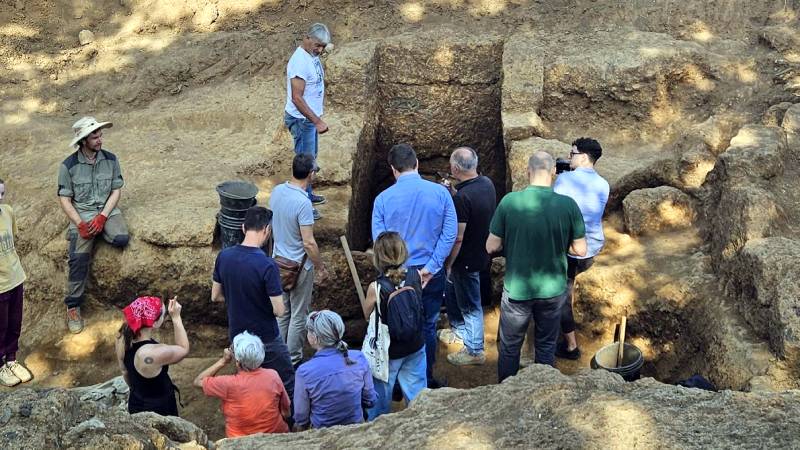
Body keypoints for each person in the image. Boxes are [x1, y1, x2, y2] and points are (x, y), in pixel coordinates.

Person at [487, 151, 587, 383]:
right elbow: (580, 250)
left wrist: (512, 242)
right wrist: (559, 244)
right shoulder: (568, 205)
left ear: (527, 171)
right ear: (554, 172)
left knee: (510, 347)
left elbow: (491, 246)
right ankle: (542, 390)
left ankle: (506, 391)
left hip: (517, 290)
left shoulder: (509, 202)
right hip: (553, 290)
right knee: (546, 345)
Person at [371, 143, 457, 388]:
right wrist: (431, 267)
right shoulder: (440, 193)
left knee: (393, 325)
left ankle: (395, 383)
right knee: (427, 325)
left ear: (393, 169)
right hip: (429, 271)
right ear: (417, 163)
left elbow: (379, 240)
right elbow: (449, 233)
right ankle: (425, 380)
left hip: (394, 273)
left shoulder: (383, 199)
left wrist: (393, 270)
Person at [211, 206, 296, 400]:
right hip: (266, 337)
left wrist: (238, 299)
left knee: (248, 382)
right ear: (267, 230)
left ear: (243, 228)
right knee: (287, 381)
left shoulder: (224, 256)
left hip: (238, 336)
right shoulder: (267, 265)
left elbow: (215, 296)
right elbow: (279, 310)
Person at [58, 116, 129, 334]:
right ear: (83, 141)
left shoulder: (111, 159)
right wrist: (80, 224)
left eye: (100, 135)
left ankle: (97, 232)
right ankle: (73, 306)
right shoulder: (68, 166)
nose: (100, 140)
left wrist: (103, 217)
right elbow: (64, 199)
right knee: (79, 258)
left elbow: (116, 190)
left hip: (107, 210)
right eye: (95, 137)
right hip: (83, 213)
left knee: (121, 238)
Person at [359, 232, 427, 420]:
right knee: (418, 394)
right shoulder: (416, 274)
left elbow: (366, 314)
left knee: (380, 398)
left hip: (388, 351)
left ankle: (378, 426)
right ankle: (422, 422)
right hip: (415, 343)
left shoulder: (376, 287)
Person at [553, 138, 609, 360]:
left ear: (584, 157)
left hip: (570, 251)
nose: (569, 158)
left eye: (572, 154)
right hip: (592, 248)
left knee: (562, 295)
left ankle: (571, 346)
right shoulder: (603, 184)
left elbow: (555, 211)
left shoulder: (565, 180)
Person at [270, 154, 328, 367]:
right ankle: (293, 359)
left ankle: (278, 356)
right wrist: (320, 268)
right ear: (311, 174)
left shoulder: (277, 191)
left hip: (278, 261)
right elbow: (309, 243)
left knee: (282, 312)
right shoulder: (303, 203)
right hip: (299, 266)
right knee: (299, 314)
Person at [440, 147, 496, 366]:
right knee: (455, 292)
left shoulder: (462, 198)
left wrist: (448, 263)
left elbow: (458, 237)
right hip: (481, 251)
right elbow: (473, 205)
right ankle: (460, 332)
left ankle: (475, 350)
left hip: (466, 259)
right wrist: (454, 192)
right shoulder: (486, 183)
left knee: (470, 305)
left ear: (455, 168)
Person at [194, 331, 290, 437]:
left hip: (240, 440)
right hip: (276, 434)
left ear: (238, 362)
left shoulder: (228, 383)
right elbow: (286, 412)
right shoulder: (273, 376)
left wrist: (223, 361)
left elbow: (198, 381)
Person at [293, 310, 376, 430]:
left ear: (314, 338)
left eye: (308, 331)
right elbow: (370, 400)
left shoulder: (304, 372)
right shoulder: (359, 358)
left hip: (322, 432)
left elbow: (301, 417)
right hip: (357, 427)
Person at [284, 22, 333, 220]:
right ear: (307, 38)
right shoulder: (299, 62)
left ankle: (308, 195)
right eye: (317, 45)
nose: (320, 50)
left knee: (310, 159)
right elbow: (297, 98)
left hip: (309, 120)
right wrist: (317, 121)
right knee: (305, 164)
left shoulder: (311, 56)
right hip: (302, 121)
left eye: (323, 46)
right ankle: (303, 204)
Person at [115, 296, 188, 416]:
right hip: (159, 409)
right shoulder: (153, 353)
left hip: (136, 402)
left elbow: (124, 371)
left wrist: (138, 390)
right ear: (155, 323)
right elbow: (184, 349)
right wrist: (176, 317)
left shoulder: (122, 336)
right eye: (164, 314)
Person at [0, 178, 33, 387]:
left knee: (14, 322)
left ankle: (11, 359)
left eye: (2, 193)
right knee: (0, 326)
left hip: (15, 277)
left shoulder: (8, 211)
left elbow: (12, 239)